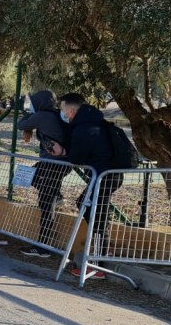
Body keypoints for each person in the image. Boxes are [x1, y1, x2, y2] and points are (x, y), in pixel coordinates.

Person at [51, 92, 125, 279]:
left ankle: (98, 265)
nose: (62, 114)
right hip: (107, 175)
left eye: (63, 110)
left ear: (71, 111)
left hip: (104, 177)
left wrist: (63, 151)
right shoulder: (95, 122)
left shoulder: (84, 128)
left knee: (96, 215)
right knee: (91, 208)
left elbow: (76, 158)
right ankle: (101, 251)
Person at [17, 90, 69, 258]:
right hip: (61, 163)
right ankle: (57, 196)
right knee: (31, 177)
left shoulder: (43, 116)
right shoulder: (56, 114)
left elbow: (20, 124)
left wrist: (29, 121)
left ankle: (43, 247)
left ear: (39, 103)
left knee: (46, 204)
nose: (30, 106)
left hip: (53, 164)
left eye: (32, 103)